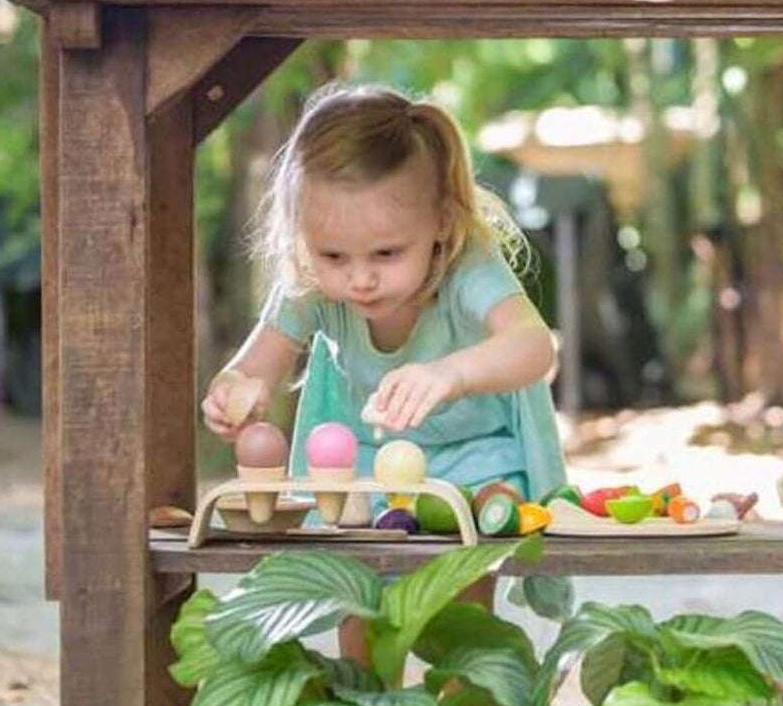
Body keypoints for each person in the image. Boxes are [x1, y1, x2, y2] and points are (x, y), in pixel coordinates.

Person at [201, 83, 565, 507]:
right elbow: (252, 369)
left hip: (478, 459)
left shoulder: (466, 266)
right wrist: (232, 394)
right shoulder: (311, 282)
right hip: (365, 467)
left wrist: (451, 374)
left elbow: (535, 346)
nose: (360, 279)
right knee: (338, 537)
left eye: (386, 253)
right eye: (334, 255)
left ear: (442, 221)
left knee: (481, 526)